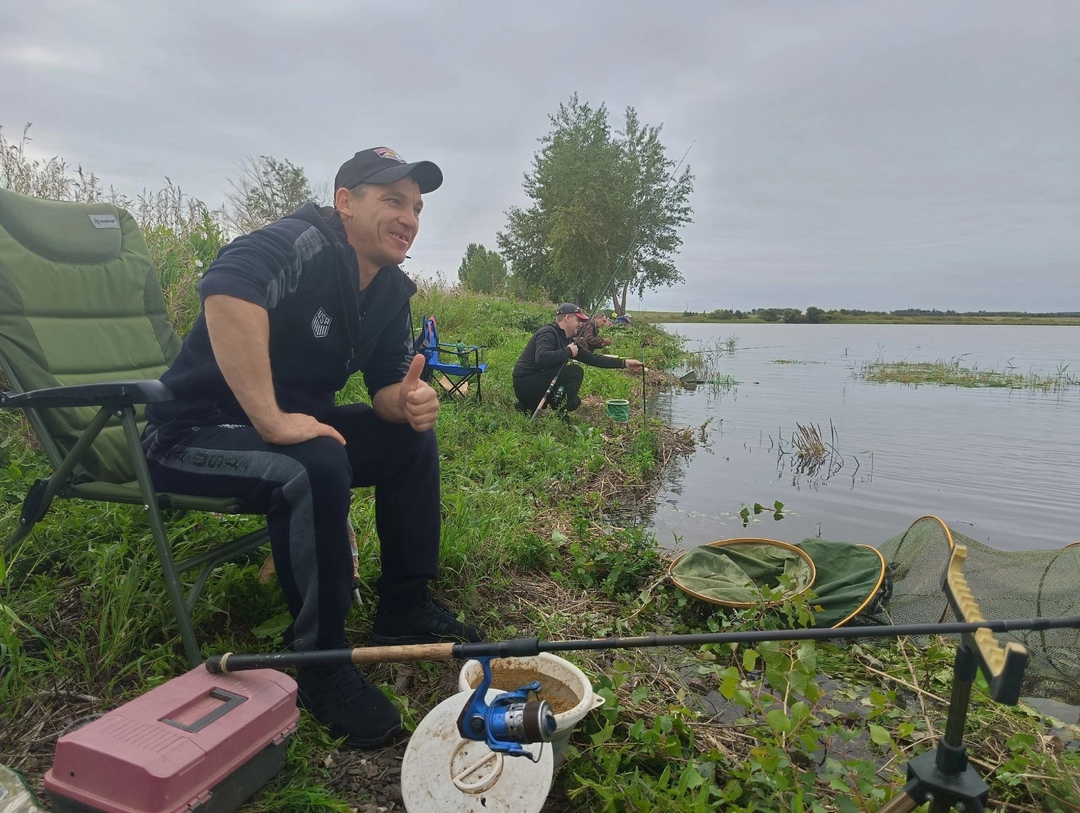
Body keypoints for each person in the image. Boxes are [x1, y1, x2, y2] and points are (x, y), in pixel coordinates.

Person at [141, 146, 481, 749]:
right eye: (392, 200)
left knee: (409, 438)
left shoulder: (390, 291)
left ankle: (403, 604)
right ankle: (321, 667)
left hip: (285, 431)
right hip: (190, 434)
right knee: (314, 457)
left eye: (417, 207)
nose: (409, 218)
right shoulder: (302, 239)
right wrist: (271, 419)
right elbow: (226, 286)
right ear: (345, 203)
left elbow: (383, 383)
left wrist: (403, 403)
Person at [513, 303, 644, 414]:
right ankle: (559, 414)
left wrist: (624, 363)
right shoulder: (548, 333)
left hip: (538, 382)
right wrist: (568, 351)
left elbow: (594, 359)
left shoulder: (569, 340)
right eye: (578, 320)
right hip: (525, 383)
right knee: (575, 371)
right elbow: (541, 358)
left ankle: (528, 406)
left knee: (574, 401)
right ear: (568, 318)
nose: (581, 324)